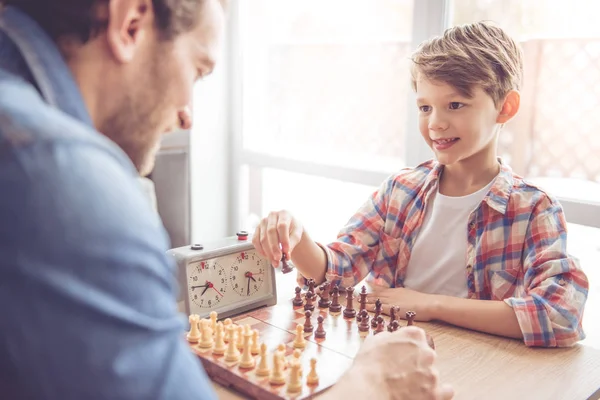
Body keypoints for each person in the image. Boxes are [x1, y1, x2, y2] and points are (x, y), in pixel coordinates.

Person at [0, 1, 453, 399]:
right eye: (197, 70)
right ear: (131, 22)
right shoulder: (66, 177)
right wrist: (370, 387)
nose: (187, 115)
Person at [253, 21, 589, 349]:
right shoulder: (400, 190)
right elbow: (336, 272)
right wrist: (296, 237)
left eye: (455, 105)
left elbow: (560, 316)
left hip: (482, 369)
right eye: (425, 107)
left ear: (505, 107)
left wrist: (428, 304)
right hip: (394, 357)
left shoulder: (533, 210)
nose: (435, 123)